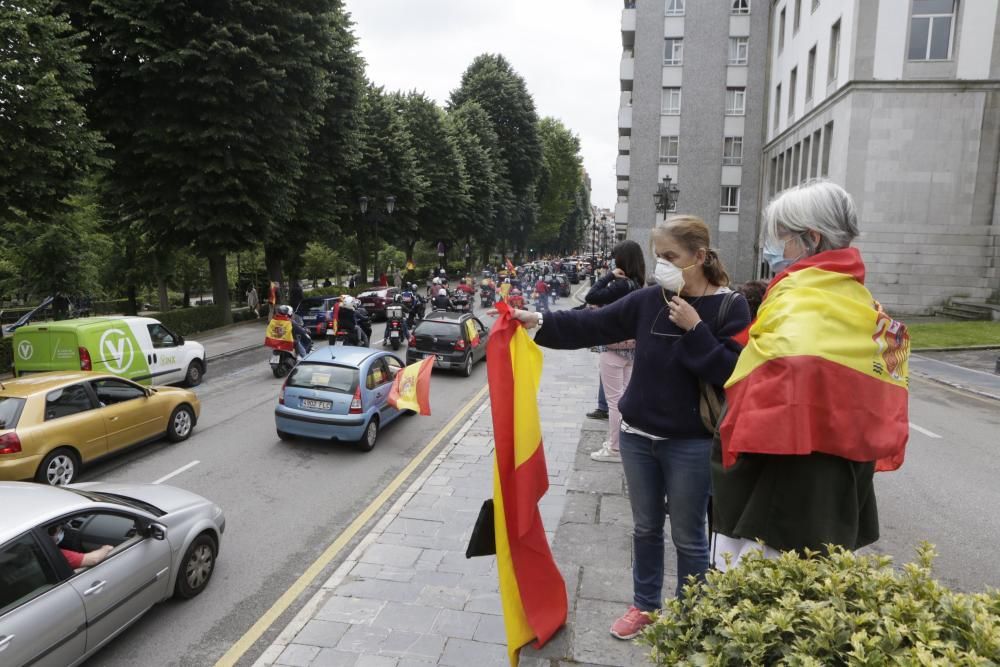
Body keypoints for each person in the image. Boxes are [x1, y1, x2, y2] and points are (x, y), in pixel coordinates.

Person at [501, 215, 749, 640]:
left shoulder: (731, 306)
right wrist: (537, 321)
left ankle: (691, 615)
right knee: (646, 528)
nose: (662, 265)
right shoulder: (650, 298)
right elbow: (592, 324)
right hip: (637, 437)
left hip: (690, 443)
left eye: (671, 256)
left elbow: (730, 371)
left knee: (690, 537)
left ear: (700, 257)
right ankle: (645, 606)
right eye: (658, 256)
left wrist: (694, 328)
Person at [712, 180, 910, 570]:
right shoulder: (869, 308)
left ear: (811, 238)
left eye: (781, 238)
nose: (773, 249)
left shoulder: (799, 302)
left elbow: (755, 411)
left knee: (754, 606)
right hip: (839, 495)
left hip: (775, 500)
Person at [583, 240, 645, 463]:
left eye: (615, 258)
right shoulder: (639, 284)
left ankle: (615, 448)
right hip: (632, 349)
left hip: (614, 347)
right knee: (625, 399)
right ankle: (622, 443)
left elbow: (591, 295)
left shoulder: (620, 285)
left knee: (614, 402)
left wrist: (608, 275)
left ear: (622, 261)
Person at [48, 524, 113, 569]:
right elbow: (94, 559)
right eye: (58, 531)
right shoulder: (58, 554)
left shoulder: (42, 550)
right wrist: (106, 548)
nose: (61, 533)